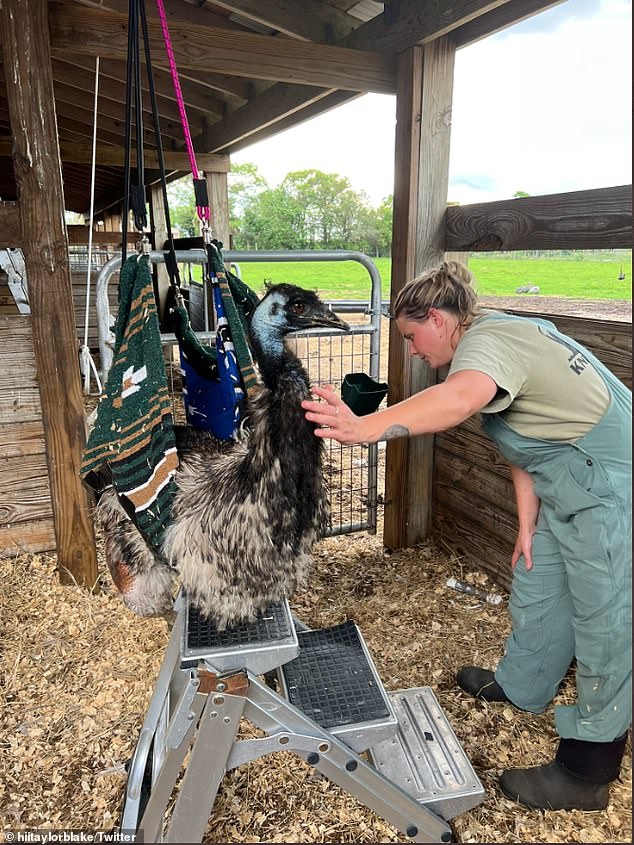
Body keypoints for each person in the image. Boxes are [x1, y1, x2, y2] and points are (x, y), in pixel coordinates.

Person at [302, 260, 631, 812]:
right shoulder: (496, 336)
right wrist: (528, 523)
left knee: (606, 621)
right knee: (536, 582)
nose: (411, 351)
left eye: (410, 336)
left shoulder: (486, 344)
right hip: (570, 481)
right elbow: (530, 442)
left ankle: (588, 770)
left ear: (437, 317)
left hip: (615, 485)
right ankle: (523, 687)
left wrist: (365, 428)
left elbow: (457, 402)